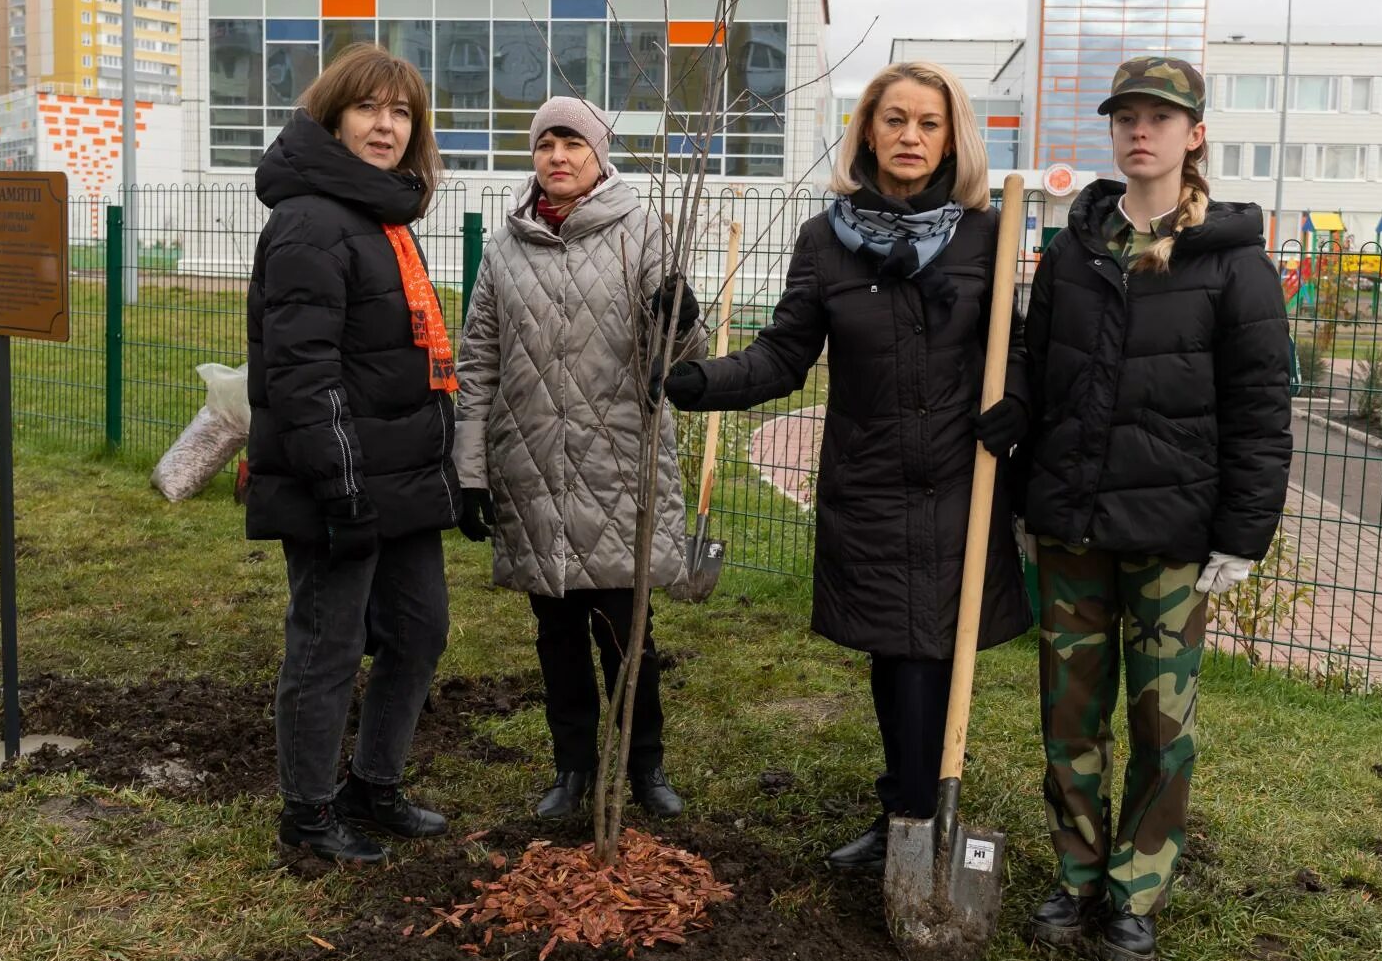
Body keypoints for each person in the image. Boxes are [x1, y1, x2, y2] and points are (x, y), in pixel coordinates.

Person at [663, 61, 1031, 872]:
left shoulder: (986, 234)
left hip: (961, 481)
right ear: (866, 130)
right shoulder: (826, 241)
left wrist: (1022, 404)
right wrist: (699, 382)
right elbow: (783, 356)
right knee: (894, 649)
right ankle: (906, 807)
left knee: (933, 649)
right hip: (869, 478)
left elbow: (1023, 348)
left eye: (928, 123)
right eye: (893, 119)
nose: (910, 136)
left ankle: (917, 810)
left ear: (951, 137)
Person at [1019, 57, 1292, 961]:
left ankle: (1137, 889)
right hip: (1071, 528)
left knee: (1160, 726)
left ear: (1194, 136)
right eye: (1127, 117)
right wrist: (1014, 440)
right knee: (1069, 716)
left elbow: (1260, 410)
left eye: (1161, 119)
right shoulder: (1073, 252)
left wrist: (1244, 534)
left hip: (1172, 539)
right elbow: (1035, 368)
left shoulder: (1235, 268)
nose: (1142, 132)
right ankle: (1075, 874)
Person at [453, 95, 703, 821]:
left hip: (619, 466)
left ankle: (645, 767)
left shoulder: (641, 229)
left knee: (628, 633)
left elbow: (681, 357)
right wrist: (471, 471)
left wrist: (682, 322)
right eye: (544, 145)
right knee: (556, 632)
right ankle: (571, 770)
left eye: (572, 144)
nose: (557, 157)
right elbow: (479, 363)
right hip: (531, 467)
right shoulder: (506, 247)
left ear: (599, 155)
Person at [246, 43, 460, 865]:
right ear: (334, 116)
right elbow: (302, 372)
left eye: (402, 112)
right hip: (340, 478)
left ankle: (374, 785)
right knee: (327, 644)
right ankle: (307, 816)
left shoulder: (380, 216)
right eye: (369, 108)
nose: (386, 125)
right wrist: (340, 486)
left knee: (418, 631)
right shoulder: (311, 219)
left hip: (399, 475)